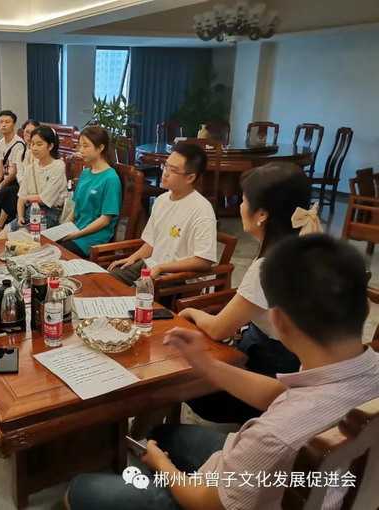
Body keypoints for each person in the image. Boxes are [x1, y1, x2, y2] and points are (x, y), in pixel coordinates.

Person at [66, 234, 379, 510]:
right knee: (163, 435)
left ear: (279, 321)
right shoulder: (356, 366)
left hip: (221, 498)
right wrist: (206, 364)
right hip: (307, 481)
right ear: (365, 307)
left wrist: (162, 466)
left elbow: (205, 502)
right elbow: (282, 394)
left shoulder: (274, 435)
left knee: (80, 489)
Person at [180, 163, 319, 423]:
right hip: (300, 367)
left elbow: (218, 329)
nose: (240, 206)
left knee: (176, 378)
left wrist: (190, 312)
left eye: (243, 200)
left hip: (268, 379)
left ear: (262, 214)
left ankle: (151, 439)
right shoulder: (311, 247)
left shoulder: (269, 267)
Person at [108, 143, 217, 286]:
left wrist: (162, 268)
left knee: (133, 292)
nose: (165, 173)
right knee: (108, 279)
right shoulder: (161, 200)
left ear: (190, 178)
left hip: (177, 277)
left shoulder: (202, 209)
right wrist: (133, 258)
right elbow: (151, 243)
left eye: (173, 170)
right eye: (166, 166)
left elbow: (204, 261)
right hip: (152, 265)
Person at [60, 126, 121, 257]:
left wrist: (76, 234)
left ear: (100, 148)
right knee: (45, 243)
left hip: (93, 238)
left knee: (56, 253)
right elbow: (75, 208)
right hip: (76, 230)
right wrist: (63, 228)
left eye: (86, 146)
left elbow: (105, 220)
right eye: (80, 146)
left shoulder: (111, 178)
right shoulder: (86, 173)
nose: (81, 150)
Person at [10, 125, 67, 231]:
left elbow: (44, 199)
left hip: (50, 213)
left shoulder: (58, 166)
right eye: (32, 144)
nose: (34, 148)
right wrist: (20, 216)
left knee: (21, 236)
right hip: (31, 210)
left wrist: (26, 198)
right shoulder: (31, 167)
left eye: (39, 144)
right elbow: (21, 196)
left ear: (50, 146)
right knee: (5, 234)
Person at [16, 119, 41, 185]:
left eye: (33, 132)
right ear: (23, 132)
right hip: (23, 186)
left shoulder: (41, 153)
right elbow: (19, 175)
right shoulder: (20, 153)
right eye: (27, 132)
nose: (29, 135)